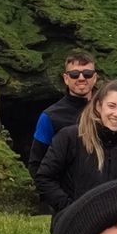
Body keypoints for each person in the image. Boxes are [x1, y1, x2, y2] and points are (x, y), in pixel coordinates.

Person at [35, 81, 117, 217]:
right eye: (111, 106)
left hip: (111, 223)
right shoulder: (70, 137)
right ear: (98, 106)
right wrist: (70, 209)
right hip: (73, 222)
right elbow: (44, 178)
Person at [28, 51, 98, 179]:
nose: (81, 78)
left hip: (104, 188)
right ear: (66, 78)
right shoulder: (49, 116)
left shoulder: (108, 112)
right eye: (74, 74)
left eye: (87, 73)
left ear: (95, 77)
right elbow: (36, 164)